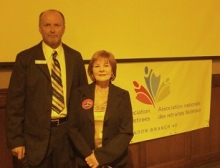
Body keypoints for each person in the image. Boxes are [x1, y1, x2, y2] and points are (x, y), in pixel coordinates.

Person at [5, 9, 88, 167]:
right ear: (39, 28)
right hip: (34, 141)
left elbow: (82, 100)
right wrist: (16, 140)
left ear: (64, 28)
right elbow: (14, 104)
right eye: (47, 25)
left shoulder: (75, 58)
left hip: (67, 138)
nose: (52, 30)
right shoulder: (25, 59)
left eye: (56, 25)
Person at [68, 50, 133, 168]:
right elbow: (73, 129)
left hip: (115, 162)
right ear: (92, 71)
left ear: (112, 70)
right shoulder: (79, 94)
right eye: (97, 66)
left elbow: (126, 132)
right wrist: (90, 156)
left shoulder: (123, 96)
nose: (101, 70)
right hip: (86, 160)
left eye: (106, 66)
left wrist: (100, 157)